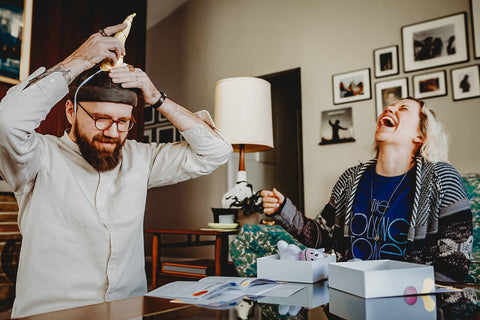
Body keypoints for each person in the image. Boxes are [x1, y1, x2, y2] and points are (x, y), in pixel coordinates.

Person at [0, 23, 232, 317]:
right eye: (100, 119)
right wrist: (82, 60)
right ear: (71, 112)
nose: (112, 132)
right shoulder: (36, 157)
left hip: (128, 313)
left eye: (123, 122)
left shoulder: (140, 158)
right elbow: (6, 122)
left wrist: (157, 98)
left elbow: (217, 151)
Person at [261, 97, 472, 282]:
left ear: (420, 135)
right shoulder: (349, 180)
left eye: (403, 109)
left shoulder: (441, 179)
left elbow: (454, 267)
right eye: (389, 107)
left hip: (412, 303)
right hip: (350, 297)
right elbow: (322, 238)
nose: (389, 109)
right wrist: (283, 209)